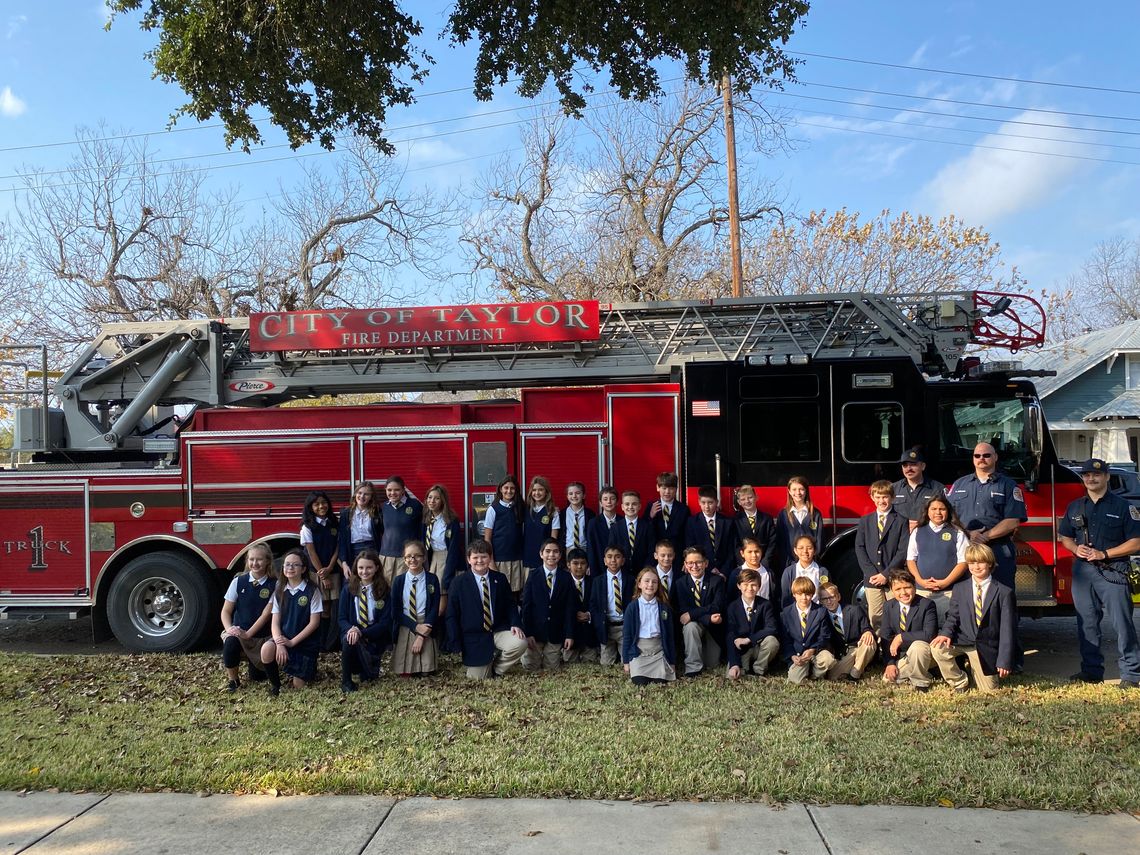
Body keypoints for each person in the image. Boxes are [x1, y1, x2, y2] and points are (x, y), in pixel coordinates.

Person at [1058, 458, 1140, 689]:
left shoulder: (1124, 507)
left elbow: (1136, 543)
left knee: (1122, 624)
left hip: (1114, 571)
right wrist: (1075, 548)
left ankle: (1131, 675)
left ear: (1106, 477)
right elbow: (1065, 537)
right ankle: (1091, 671)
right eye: (1086, 475)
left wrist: (1104, 553)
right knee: (1087, 623)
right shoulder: (1075, 506)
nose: (1091, 479)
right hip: (1083, 572)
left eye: (1096, 475)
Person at [931, 544, 1017, 693]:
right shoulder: (960, 588)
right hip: (963, 639)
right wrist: (945, 633)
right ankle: (960, 682)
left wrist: (1004, 660)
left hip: (985, 645)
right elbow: (953, 616)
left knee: (989, 691)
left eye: (980, 562)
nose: (976, 567)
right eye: (972, 563)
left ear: (990, 563)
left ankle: (977, 669)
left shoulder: (1004, 592)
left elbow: (1007, 629)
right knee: (937, 648)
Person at [946, 442, 1026, 591]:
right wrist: (969, 534)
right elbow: (949, 518)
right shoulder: (959, 485)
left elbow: (1013, 520)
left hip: (998, 550)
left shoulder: (1008, 485)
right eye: (977, 455)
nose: (981, 458)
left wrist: (986, 536)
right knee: (966, 596)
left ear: (995, 457)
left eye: (986, 455)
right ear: (973, 459)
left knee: (1002, 594)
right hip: (966, 550)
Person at [445, 540, 528, 680]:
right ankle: (486, 663)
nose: (479, 560)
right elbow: (452, 615)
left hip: (498, 630)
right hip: (474, 636)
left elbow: (510, 604)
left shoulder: (500, 579)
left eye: (483, 556)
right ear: (468, 559)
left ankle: (497, 668)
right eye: (475, 557)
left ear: (490, 557)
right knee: (478, 678)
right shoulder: (458, 583)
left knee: (520, 643)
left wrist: (515, 623)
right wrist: (455, 641)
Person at [260, 548, 323, 696]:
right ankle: (276, 686)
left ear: (304, 569)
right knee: (266, 649)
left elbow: (314, 623)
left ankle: (308, 668)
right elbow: (274, 622)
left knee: (298, 686)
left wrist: (292, 643)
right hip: (284, 638)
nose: (290, 568)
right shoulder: (279, 589)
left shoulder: (312, 590)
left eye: (295, 565)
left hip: (304, 643)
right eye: (287, 564)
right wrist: (280, 643)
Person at [219, 542, 275, 692]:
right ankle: (233, 680)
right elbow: (225, 611)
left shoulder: (274, 585)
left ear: (268, 561)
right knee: (230, 643)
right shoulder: (238, 581)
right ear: (247, 561)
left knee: (257, 677)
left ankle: (255, 663)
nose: (255, 563)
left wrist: (248, 634)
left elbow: (265, 615)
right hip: (240, 634)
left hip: (261, 637)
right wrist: (230, 629)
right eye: (251, 559)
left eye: (259, 559)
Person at [905, 494, 969, 624]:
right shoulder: (918, 531)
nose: (938, 512)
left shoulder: (957, 533)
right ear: (927, 511)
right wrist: (920, 580)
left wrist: (945, 582)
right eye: (933, 509)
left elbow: (964, 562)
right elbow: (911, 559)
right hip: (922, 591)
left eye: (942, 509)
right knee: (922, 627)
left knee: (945, 627)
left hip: (949, 592)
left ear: (948, 511)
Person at [854, 479, 908, 632]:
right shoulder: (865, 521)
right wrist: (871, 573)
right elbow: (860, 547)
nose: (881, 501)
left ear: (892, 497)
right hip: (872, 579)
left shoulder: (901, 521)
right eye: (877, 497)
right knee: (876, 616)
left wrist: (886, 574)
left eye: (884, 497)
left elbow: (902, 551)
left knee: (897, 613)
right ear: (872, 497)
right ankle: (879, 649)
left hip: (893, 577)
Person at [338, 549, 392, 692]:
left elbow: (385, 622)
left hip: (373, 638)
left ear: (377, 568)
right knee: (348, 638)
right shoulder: (348, 589)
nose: (364, 571)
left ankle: (367, 668)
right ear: (356, 568)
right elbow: (342, 618)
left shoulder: (384, 590)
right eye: (361, 568)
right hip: (353, 636)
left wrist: (362, 632)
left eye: (369, 567)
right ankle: (346, 682)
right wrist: (352, 629)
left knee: (368, 677)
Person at [520, 538, 575, 671]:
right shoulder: (533, 576)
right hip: (535, 634)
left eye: (555, 552)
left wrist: (569, 634)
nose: (551, 555)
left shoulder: (566, 577)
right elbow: (526, 606)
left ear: (560, 555)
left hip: (555, 633)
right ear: (541, 554)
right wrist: (528, 633)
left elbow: (570, 608)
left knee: (552, 669)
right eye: (548, 551)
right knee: (531, 668)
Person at [879, 568, 937, 691]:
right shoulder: (888, 606)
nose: (903, 592)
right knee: (887, 679)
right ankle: (920, 672)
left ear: (914, 587)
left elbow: (929, 634)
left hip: (923, 652)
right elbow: (885, 637)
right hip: (903, 655)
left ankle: (921, 683)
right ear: (892, 591)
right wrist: (890, 663)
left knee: (918, 646)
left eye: (907, 587)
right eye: (898, 589)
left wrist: (901, 637)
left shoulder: (927, 605)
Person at [389, 540, 440, 677]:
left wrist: (422, 634)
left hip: (426, 624)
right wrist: (416, 627)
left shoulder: (432, 579)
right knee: (405, 673)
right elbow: (395, 612)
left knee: (426, 672)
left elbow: (434, 608)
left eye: (417, 555)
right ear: (404, 559)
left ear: (424, 557)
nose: (413, 559)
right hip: (406, 624)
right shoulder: (398, 581)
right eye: (409, 556)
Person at [675, 546, 726, 677]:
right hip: (697, 624)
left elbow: (717, 606)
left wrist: (692, 614)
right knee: (690, 626)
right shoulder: (680, 583)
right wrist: (707, 617)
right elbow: (683, 609)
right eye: (690, 563)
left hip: (713, 627)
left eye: (698, 562)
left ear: (706, 563)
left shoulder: (717, 580)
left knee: (712, 663)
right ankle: (693, 667)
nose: (695, 566)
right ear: (685, 564)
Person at [300, 490, 341, 652]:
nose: (321, 506)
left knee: (331, 605)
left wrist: (330, 567)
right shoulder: (307, 527)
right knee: (321, 606)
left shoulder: (334, 523)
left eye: (324, 503)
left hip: (333, 570)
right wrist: (323, 575)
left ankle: (330, 642)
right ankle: (321, 643)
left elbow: (338, 547)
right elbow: (311, 552)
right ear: (310, 507)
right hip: (317, 572)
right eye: (316, 504)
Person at [622, 568, 677, 685]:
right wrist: (626, 662)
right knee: (639, 681)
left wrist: (672, 662)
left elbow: (670, 636)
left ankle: (662, 667)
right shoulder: (632, 608)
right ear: (639, 584)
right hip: (639, 651)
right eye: (647, 581)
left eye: (654, 582)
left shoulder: (663, 607)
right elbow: (627, 636)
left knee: (661, 681)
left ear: (658, 585)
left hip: (658, 650)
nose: (650, 585)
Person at [725, 567, 780, 679]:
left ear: (759, 587)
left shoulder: (765, 605)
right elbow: (730, 635)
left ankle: (758, 669)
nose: (749, 588)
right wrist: (734, 664)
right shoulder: (732, 607)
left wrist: (749, 639)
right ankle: (743, 668)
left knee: (772, 641)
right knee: (733, 676)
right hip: (742, 649)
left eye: (753, 585)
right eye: (745, 584)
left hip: (759, 646)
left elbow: (772, 628)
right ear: (739, 586)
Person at [780, 576, 836, 684]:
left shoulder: (820, 611)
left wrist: (812, 650)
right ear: (794, 594)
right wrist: (792, 656)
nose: (804, 598)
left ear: (812, 595)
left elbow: (824, 636)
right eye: (800, 594)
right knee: (795, 679)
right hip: (798, 655)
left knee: (828, 660)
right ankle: (804, 671)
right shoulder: (786, 613)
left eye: (808, 594)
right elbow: (785, 639)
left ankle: (815, 674)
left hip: (816, 652)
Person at [422, 484, 463, 625]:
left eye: (437, 498)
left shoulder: (451, 521)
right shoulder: (426, 520)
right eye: (430, 497)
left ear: (443, 501)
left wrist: (447, 575)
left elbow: (454, 549)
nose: (432, 501)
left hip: (448, 560)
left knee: (443, 604)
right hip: (433, 560)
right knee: (432, 599)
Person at [819, 582, 876, 682]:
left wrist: (868, 632)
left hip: (858, 647)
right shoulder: (821, 617)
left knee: (869, 643)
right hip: (843, 653)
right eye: (825, 599)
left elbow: (866, 627)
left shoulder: (854, 610)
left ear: (838, 596)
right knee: (834, 677)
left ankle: (854, 676)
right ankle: (857, 667)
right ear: (821, 601)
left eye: (832, 597)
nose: (829, 601)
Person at [589, 544, 634, 665]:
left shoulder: (630, 580)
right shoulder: (598, 581)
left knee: (629, 663)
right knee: (606, 664)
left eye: (617, 557)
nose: (613, 560)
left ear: (623, 560)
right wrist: (599, 622)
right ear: (604, 560)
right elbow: (593, 605)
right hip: (606, 628)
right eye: (609, 557)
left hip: (625, 627)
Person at [483, 474, 525, 594]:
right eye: (506, 488)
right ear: (500, 489)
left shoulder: (520, 507)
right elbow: (487, 538)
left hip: (517, 559)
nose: (509, 491)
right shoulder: (493, 509)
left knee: (516, 593)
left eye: (512, 488)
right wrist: (490, 561)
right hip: (500, 559)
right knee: (500, 592)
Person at [774, 475, 824, 574]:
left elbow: (819, 539)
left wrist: (812, 558)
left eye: (801, 489)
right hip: (790, 564)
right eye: (794, 489)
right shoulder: (783, 514)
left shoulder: (815, 514)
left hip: (811, 564)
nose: (798, 493)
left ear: (806, 491)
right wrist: (787, 561)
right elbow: (780, 542)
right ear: (789, 491)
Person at [379, 476, 423, 584]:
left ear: (403, 490)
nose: (392, 493)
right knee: (386, 591)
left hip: (407, 557)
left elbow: (422, 530)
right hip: (386, 557)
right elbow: (379, 530)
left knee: (405, 590)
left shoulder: (415, 505)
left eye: (396, 490)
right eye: (389, 490)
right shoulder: (383, 507)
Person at [685, 485, 736, 575]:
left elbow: (731, 550)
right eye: (703, 503)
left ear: (717, 502)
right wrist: (709, 568)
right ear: (699, 502)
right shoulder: (692, 522)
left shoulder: (727, 522)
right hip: (702, 570)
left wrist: (723, 571)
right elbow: (691, 548)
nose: (707, 506)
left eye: (710, 503)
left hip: (724, 571)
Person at [891, 447, 944, 531]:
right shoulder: (893, 488)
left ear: (923, 466)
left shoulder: (938, 489)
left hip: (928, 535)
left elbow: (945, 516)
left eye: (913, 464)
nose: (909, 469)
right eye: (905, 465)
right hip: (901, 537)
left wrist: (921, 524)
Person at [522, 475, 561, 587]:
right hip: (527, 557)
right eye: (534, 490)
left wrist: (550, 555)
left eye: (540, 490)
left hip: (545, 558)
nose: (537, 493)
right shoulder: (526, 509)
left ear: (546, 492)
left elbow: (553, 538)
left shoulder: (552, 511)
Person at [338, 481, 382, 576]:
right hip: (353, 551)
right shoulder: (346, 514)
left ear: (371, 497)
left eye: (366, 494)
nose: (362, 496)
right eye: (359, 493)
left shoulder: (377, 512)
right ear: (355, 494)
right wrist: (344, 562)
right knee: (353, 581)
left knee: (373, 580)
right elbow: (342, 540)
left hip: (372, 550)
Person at [562, 547, 597, 663]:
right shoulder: (562, 582)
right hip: (570, 633)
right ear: (568, 565)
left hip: (590, 634)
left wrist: (589, 614)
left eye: (583, 563)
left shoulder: (594, 582)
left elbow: (598, 605)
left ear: (587, 565)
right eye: (575, 563)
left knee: (591, 663)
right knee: (569, 663)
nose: (579, 567)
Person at [778, 535, 830, 608]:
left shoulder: (823, 571)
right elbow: (786, 599)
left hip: (818, 613)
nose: (805, 551)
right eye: (801, 548)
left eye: (809, 548)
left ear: (815, 551)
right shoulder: (789, 572)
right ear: (795, 550)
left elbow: (827, 596)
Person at [646, 471, 689, 557]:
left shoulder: (683, 509)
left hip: (677, 554)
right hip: (657, 555)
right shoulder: (651, 506)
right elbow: (644, 531)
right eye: (664, 488)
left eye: (671, 488)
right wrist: (650, 517)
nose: (667, 492)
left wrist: (686, 556)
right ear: (658, 488)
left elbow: (687, 534)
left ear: (676, 489)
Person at [732, 484, 775, 562]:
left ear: (756, 497)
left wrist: (765, 562)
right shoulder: (735, 520)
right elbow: (735, 545)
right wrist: (745, 564)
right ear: (739, 502)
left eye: (750, 497)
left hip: (764, 563)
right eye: (743, 499)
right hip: (744, 564)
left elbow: (772, 543)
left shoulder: (767, 519)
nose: (747, 501)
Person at [611, 489, 652, 570]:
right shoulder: (615, 527)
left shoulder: (647, 527)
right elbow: (612, 550)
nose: (630, 507)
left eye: (634, 504)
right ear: (622, 507)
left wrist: (646, 569)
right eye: (627, 504)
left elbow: (651, 551)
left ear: (640, 506)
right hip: (622, 571)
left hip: (642, 571)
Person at [586, 485, 621, 576]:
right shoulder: (593, 523)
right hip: (599, 567)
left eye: (612, 498)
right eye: (605, 499)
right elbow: (591, 547)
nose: (609, 502)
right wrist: (593, 568)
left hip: (620, 567)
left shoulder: (623, 521)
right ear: (601, 503)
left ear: (617, 502)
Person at [726, 536, 774, 601]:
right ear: (742, 553)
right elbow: (731, 598)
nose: (754, 555)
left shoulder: (768, 573)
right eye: (750, 552)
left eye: (756, 551)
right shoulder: (736, 573)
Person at [561, 481, 595, 557]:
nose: (574, 496)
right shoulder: (561, 514)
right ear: (567, 496)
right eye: (570, 494)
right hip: (568, 549)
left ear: (584, 495)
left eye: (578, 493)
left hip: (584, 549)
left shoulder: (590, 514)